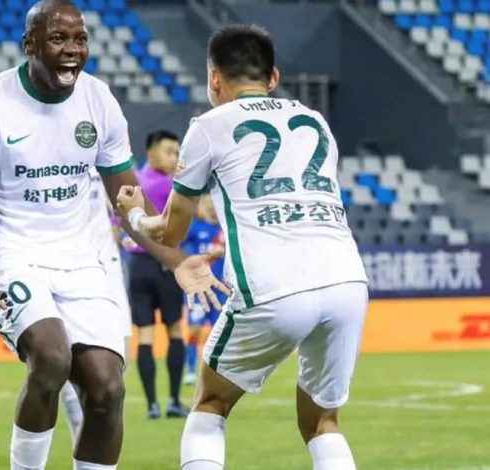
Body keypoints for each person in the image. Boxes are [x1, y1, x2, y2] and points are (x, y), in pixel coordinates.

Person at [0, 1, 227, 468]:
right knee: (52, 357)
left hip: (83, 260)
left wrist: (174, 258)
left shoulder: (98, 100)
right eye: (58, 40)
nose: (73, 50)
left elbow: (127, 197)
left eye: (80, 40)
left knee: (107, 388)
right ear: (30, 45)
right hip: (10, 254)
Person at [117, 25, 368, 470]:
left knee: (210, 406)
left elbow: (171, 232)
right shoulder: (316, 121)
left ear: (214, 79)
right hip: (346, 281)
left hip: (273, 286)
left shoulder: (209, 126)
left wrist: (134, 214)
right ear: (273, 77)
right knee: (323, 422)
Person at [59, 167, 133, 444]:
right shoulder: (46, 158)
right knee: (73, 367)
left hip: (108, 269)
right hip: (66, 268)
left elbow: (125, 204)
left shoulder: (101, 158)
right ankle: (85, 450)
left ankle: (93, 453)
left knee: (116, 370)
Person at [120, 130, 190, 419]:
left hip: (137, 266)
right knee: (174, 330)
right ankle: (174, 400)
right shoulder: (170, 185)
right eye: (170, 152)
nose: (175, 158)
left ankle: (151, 405)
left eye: (177, 152)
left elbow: (119, 219)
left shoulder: (131, 183)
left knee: (145, 335)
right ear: (152, 154)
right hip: (164, 264)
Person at [181, 195, 225, 386]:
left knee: (220, 331)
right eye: (208, 204)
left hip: (222, 290)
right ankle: (190, 369)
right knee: (195, 329)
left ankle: (218, 370)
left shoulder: (225, 230)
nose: (212, 208)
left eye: (214, 204)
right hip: (199, 289)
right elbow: (179, 249)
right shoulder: (195, 229)